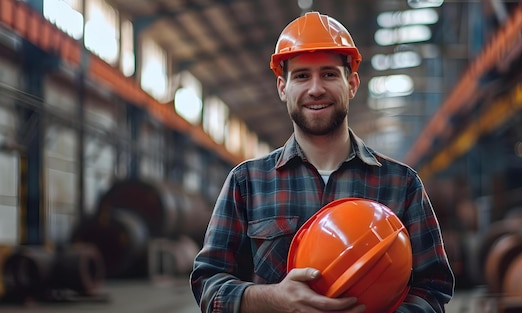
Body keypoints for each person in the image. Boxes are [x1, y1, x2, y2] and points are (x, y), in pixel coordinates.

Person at [190, 11, 454, 313]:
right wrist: (274, 299)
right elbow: (208, 284)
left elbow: (434, 288)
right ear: (282, 88)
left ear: (352, 84)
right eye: (302, 76)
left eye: (329, 74)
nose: (316, 88)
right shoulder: (247, 182)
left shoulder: (401, 184)